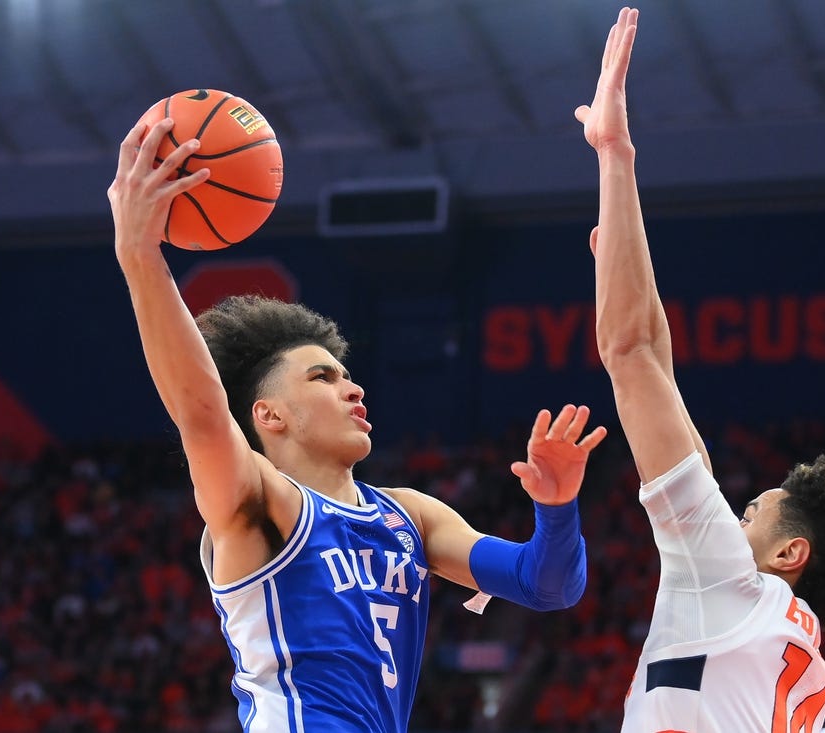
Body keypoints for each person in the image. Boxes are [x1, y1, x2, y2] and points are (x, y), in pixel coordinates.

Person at [107, 120, 607, 733]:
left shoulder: (410, 515)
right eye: (322, 378)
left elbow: (547, 585)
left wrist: (556, 507)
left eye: (347, 375)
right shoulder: (261, 502)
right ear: (269, 415)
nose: (353, 388)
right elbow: (202, 412)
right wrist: (139, 255)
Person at [574, 8, 825, 732]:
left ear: (789, 552)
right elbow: (653, 365)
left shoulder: (728, 586)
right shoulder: (797, 657)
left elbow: (628, 352)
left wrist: (615, 155)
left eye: (746, 514)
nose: (728, 514)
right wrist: (621, 257)